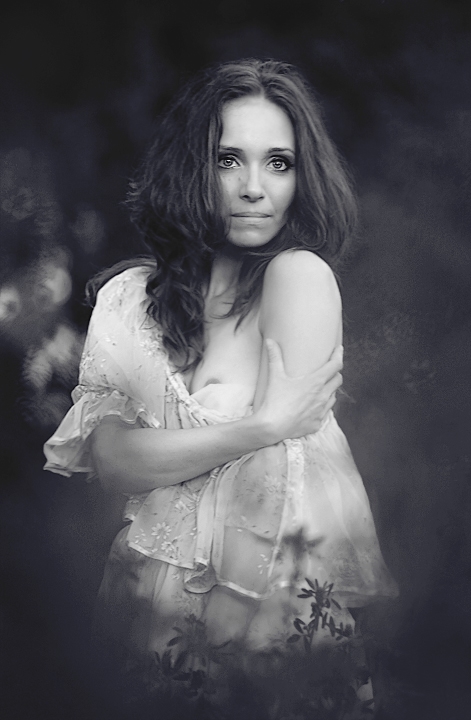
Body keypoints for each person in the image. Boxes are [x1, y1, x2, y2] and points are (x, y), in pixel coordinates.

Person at [44, 59, 397, 693]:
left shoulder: (298, 277)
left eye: (278, 163)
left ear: (303, 177)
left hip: (261, 609)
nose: (253, 187)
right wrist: (258, 425)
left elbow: (277, 473)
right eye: (228, 160)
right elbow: (114, 462)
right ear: (192, 168)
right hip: (144, 597)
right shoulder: (128, 299)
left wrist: (212, 648)